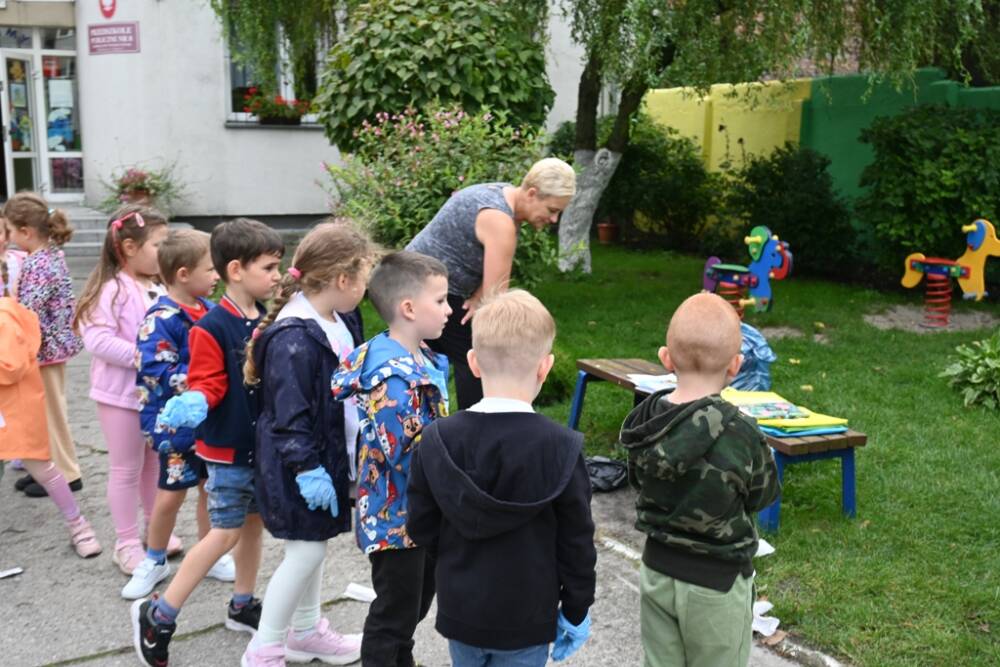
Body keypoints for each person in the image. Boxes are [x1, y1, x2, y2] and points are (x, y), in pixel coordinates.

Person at [407, 289, 597, 667]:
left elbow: (421, 524)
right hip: (527, 615)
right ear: (544, 367)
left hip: (462, 608)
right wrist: (577, 608)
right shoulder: (562, 448)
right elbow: (576, 540)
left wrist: (454, 563)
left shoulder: (437, 440)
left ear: (473, 363)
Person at [131, 218, 284, 667]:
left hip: (259, 445)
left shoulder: (267, 320)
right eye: (269, 267)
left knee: (253, 525)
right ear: (236, 270)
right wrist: (197, 400)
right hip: (227, 450)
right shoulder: (211, 326)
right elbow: (208, 381)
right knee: (226, 532)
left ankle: (242, 603)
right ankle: (159, 614)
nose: (277, 276)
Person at [241, 221, 378, 666]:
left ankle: (305, 631)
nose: (366, 289)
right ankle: (263, 649)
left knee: (313, 545)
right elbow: (288, 416)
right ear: (342, 279)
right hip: (298, 465)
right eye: (364, 278)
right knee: (306, 551)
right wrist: (306, 469)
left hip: (327, 457)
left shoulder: (339, 318)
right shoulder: (295, 337)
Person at [618, 292, 781, 667]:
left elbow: (638, 480)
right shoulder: (741, 433)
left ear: (666, 358)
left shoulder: (645, 422)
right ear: (735, 366)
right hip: (717, 581)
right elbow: (763, 494)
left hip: (657, 569)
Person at [331, 251, 451, 667]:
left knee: (412, 606)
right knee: (394, 614)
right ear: (409, 308)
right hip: (395, 517)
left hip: (417, 511)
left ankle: (402, 658)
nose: (449, 310)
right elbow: (406, 452)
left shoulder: (419, 357)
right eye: (441, 300)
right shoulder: (393, 379)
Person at [405, 157, 576, 409]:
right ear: (532, 193)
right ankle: (479, 423)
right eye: (552, 210)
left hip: (410, 282)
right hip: (422, 290)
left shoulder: (500, 193)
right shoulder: (500, 221)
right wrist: (483, 302)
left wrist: (479, 296)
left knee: (431, 357)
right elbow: (496, 300)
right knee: (483, 353)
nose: (553, 219)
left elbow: (489, 290)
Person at [122, 229, 236, 600]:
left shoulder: (210, 311)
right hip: (175, 428)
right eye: (210, 269)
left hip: (210, 424)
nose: (217, 276)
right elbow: (155, 369)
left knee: (209, 490)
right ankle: (154, 560)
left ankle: (209, 552)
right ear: (184, 274)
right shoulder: (161, 319)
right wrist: (209, 376)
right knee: (170, 495)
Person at [74, 206, 174, 574]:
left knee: (154, 464)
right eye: (158, 245)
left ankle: (155, 530)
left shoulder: (158, 286)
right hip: (119, 396)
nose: (165, 252)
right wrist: (143, 356)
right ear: (130, 247)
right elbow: (97, 339)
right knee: (125, 469)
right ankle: (126, 543)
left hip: (152, 396)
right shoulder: (112, 290)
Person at [0, 256, 102, 558]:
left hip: (16, 412)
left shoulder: (5, 317)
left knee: (43, 468)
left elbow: (10, 367)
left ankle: (78, 525)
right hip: (11, 411)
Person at [3, 195, 84, 497]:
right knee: (42, 412)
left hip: (47, 349)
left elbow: (27, 309)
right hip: (46, 348)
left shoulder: (40, 263)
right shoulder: (46, 255)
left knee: (51, 414)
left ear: (26, 231)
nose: (8, 237)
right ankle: (48, 470)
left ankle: (67, 474)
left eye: (10, 231)